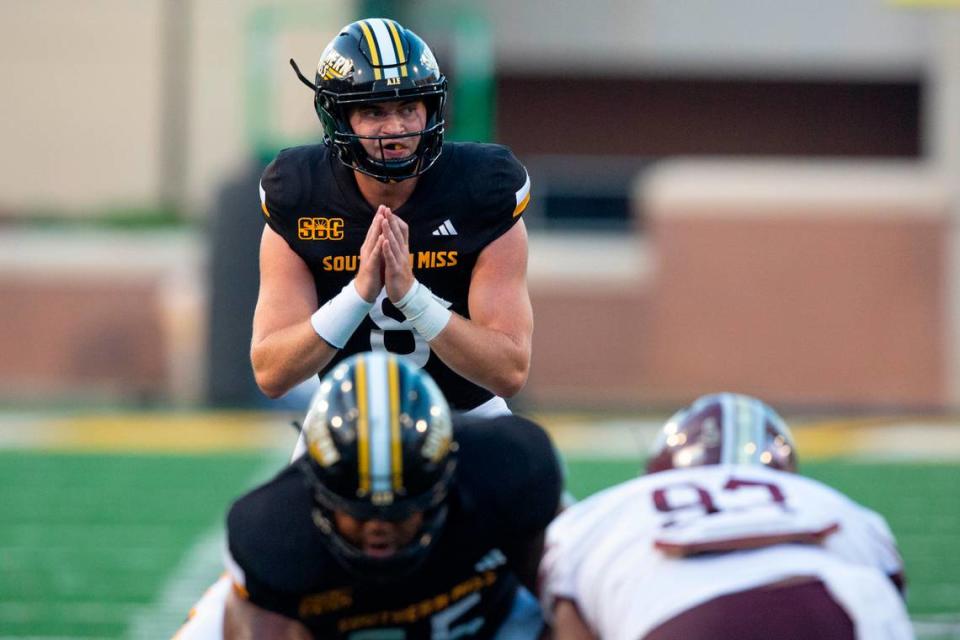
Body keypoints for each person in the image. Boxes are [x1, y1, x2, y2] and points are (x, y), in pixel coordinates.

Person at [251, 18, 533, 444]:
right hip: (346, 423)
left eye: (408, 108)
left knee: (543, 498)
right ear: (338, 117)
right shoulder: (300, 192)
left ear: (432, 107)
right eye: (373, 111)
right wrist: (360, 293)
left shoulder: (483, 187)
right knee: (260, 515)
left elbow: (510, 370)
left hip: (469, 418)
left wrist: (412, 297)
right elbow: (272, 372)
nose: (396, 128)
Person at [217, 352, 562, 639]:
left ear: (442, 482)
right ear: (319, 494)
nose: (379, 527)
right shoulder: (276, 538)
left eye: (399, 512)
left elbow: (571, 598)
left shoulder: (503, 477)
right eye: (359, 513)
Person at [539, 393, 912, 640]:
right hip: (849, 602)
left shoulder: (599, 515)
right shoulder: (832, 504)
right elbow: (889, 587)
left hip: (685, 619)